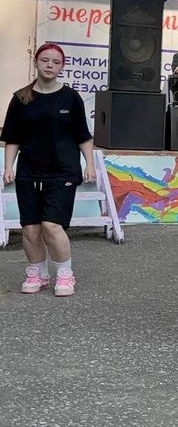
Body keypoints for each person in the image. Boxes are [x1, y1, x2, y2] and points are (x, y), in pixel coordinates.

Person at [2, 43, 95, 297]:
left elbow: (83, 136)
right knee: (30, 228)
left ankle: (64, 275)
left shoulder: (71, 98)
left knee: (52, 226)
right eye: (45, 60)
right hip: (28, 172)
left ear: (62, 66)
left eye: (55, 62)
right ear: (36, 62)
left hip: (63, 172)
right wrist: (8, 166)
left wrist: (90, 164)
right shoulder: (21, 98)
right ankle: (37, 274)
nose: (50, 65)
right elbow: (13, 138)